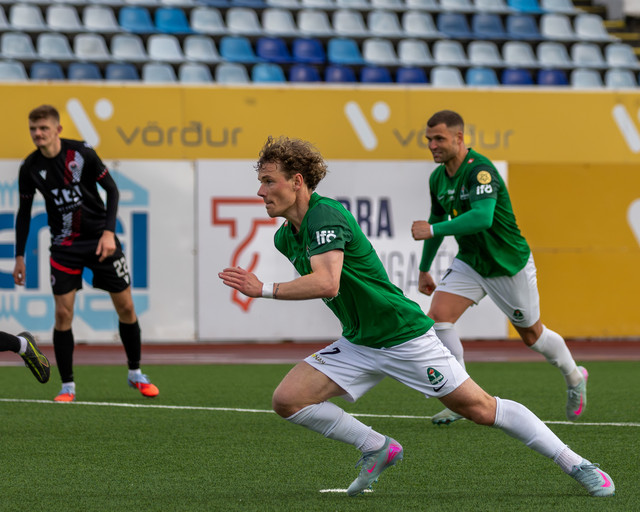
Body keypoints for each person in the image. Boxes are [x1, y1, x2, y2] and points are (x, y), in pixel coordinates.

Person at [218, 135, 614, 498]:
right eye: (261, 182)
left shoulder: (325, 215)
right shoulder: (285, 236)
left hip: (402, 335)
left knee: (481, 409)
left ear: (297, 181)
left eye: (268, 181)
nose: (261, 191)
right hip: (360, 341)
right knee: (288, 400)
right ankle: (376, 446)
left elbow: (327, 283)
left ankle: (578, 464)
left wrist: (263, 288)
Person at [412, 110, 587, 426]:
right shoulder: (437, 178)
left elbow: (482, 218)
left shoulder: (480, 171)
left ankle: (574, 376)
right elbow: (436, 219)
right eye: (429, 139)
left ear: (459, 138)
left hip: (507, 264)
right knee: (438, 318)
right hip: (471, 261)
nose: (432, 145)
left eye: (439, 138)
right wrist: (425, 268)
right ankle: (461, 398)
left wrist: (434, 230)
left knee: (532, 336)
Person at [13, 104, 159, 402]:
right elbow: (24, 213)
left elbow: (112, 190)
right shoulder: (30, 167)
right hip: (64, 247)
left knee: (126, 307)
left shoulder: (81, 153)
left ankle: (135, 372)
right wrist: (19, 256)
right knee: (63, 313)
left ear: (57, 129)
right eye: (33, 129)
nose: (38, 133)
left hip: (100, 241)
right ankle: (67, 386)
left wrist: (109, 232)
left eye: (43, 128)